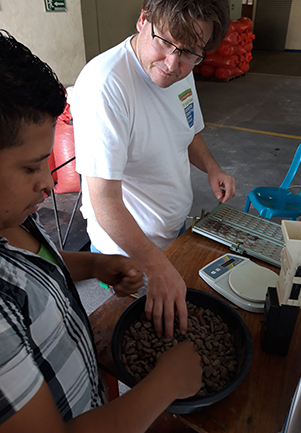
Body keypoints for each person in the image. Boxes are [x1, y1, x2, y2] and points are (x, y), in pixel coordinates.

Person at [0, 30, 202, 433]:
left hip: (88, 399)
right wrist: (165, 384)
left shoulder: (11, 217)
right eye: (30, 167)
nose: (50, 183)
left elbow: (38, 270)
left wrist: (93, 263)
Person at [72, 0, 236, 339]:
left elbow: (186, 129)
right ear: (143, 20)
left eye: (190, 53)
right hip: (129, 255)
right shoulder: (106, 86)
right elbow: (104, 200)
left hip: (172, 233)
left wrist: (211, 168)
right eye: (164, 42)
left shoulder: (180, 69)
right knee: (138, 340)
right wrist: (155, 266)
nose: (172, 64)